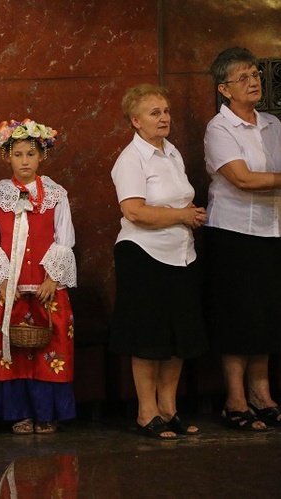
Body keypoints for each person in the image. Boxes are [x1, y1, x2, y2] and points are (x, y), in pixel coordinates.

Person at [109, 85, 208, 439]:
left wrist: (189, 214)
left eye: (165, 111)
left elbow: (178, 201)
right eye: (154, 112)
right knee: (148, 337)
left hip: (181, 255)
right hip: (144, 255)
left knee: (177, 336)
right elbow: (133, 211)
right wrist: (182, 215)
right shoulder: (131, 159)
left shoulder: (172, 154)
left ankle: (168, 408)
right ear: (135, 121)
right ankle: (145, 411)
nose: (164, 117)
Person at [0, 119, 76, 435]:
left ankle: (47, 413)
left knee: (51, 350)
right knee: (15, 353)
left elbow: (64, 238)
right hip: (12, 290)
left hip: (47, 289)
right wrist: (4, 282)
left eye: (30, 154)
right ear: (7, 156)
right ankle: (18, 413)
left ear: (42, 157)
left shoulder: (56, 194)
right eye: (18, 154)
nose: (24, 161)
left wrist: (52, 279)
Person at [204, 47, 281, 431]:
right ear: (224, 89)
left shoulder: (272, 124)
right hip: (233, 232)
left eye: (256, 74)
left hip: (272, 228)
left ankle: (261, 392)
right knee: (237, 315)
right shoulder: (218, 129)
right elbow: (243, 179)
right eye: (244, 78)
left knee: (266, 313)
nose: (254, 82)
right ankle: (234, 397)